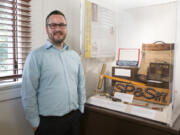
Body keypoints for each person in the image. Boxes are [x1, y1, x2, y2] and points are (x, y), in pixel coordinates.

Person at [21, 10, 86, 135]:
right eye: (53, 25)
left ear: (66, 28)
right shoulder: (35, 57)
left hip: (74, 119)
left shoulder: (74, 56)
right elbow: (28, 93)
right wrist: (36, 124)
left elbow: (81, 84)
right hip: (49, 123)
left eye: (61, 25)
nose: (58, 29)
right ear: (47, 29)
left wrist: (81, 109)